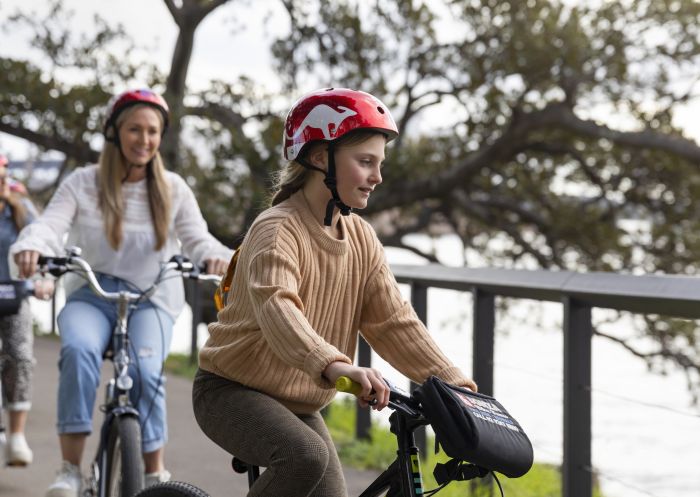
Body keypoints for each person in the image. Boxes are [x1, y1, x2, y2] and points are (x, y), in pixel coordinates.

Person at [192, 87, 478, 497]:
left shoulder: (361, 238)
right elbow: (279, 307)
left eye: (379, 165)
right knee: (304, 456)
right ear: (321, 157)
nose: (377, 177)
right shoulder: (277, 229)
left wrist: (456, 387)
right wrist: (336, 366)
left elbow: (393, 321)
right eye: (365, 162)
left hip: (300, 402)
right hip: (230, 390)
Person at [10, 89, 233, 497]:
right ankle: (71, 471)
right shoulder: (83, 183)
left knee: (148, 373)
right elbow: (50, 226)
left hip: (153, 297)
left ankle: (152, 475)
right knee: (78, 353)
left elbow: (198, 240)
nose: (144, 140)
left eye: (153, 131)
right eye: (135, 129)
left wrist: (219, 260)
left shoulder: (173, 188)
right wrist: (32, 247)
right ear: (114, 132)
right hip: (93, 294)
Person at [0, 154, 48, 467]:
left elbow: (42, 246)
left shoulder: (19, 211)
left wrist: (43, 281)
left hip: (14, 296)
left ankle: (16, 436)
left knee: (20, 357)